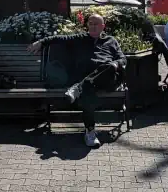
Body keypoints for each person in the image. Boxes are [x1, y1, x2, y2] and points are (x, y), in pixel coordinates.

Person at [28, 14, 125, 149]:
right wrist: (42, 42)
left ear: (103, 26)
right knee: (88, 89)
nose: (93, 26)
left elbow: (123, 59)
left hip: (108, 78)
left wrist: (116, 64)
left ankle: (78, 88)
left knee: (107, 67)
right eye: (90, 23)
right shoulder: (80, 38)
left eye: (96, 24)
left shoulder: (111, 41)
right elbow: (59, 39)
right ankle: (90, 132)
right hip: (89, 80)